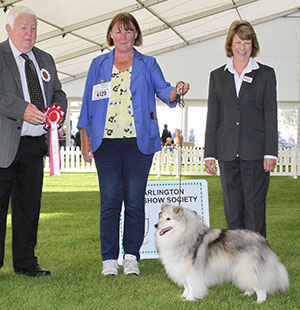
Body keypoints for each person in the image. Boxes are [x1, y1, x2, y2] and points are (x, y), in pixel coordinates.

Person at [77, 12, 189, 276]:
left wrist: (177, 90)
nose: (123, 36)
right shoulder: (98, 64)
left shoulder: (148, 64)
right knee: (110, 201)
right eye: (118, 31)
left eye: (128, 31)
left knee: (135, 202)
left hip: (138, 145)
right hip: (105, 143)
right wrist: (85, 139)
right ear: (111, 35)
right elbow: (87, 105)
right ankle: (108, 259)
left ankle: (131, 257)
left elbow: (164, 91)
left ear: (136, 35)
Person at [0, 6, 67, 277]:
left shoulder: (45, 58)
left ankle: (26, 263)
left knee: (29, 207)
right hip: (4, 144)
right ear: (9, 29)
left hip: (33, 145)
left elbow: (59, 92)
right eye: (23, 27)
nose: (29, 33)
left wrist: (58, 111)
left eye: (34, 28)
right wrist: (22, 108)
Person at [204, 20, 278, 237]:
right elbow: (213, 116)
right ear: (231, 44)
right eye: (238, 42)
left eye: (247, 42)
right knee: (233, 211)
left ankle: (258, 263)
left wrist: (270, 152)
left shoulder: (265, 74)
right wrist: (209, 154)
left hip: (255, 152)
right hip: (226, 152)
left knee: (255, 211)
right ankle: (236, 262)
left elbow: (271, 114)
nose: (243, 48)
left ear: (253, 45)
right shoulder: (217, 76)